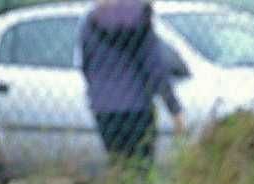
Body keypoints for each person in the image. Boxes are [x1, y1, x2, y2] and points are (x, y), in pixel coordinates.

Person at [81, 0, 189, 163]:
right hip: (137, 107)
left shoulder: (90, 20)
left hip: (104, 108)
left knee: (118, 164)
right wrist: (174, 109)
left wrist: (96, 92)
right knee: (141, 166)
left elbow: (86, 65)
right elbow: (155, 69)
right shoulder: (142, 19)